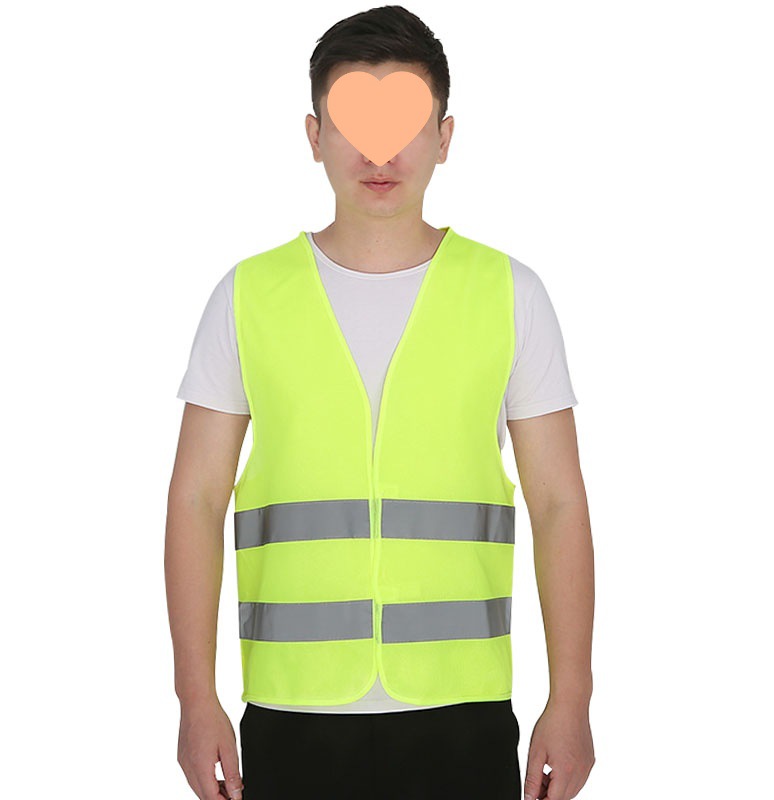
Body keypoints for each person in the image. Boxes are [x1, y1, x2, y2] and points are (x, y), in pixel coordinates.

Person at [165, 6, 595, 800]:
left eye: (405, 125)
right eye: (352, 124)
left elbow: (560, 503)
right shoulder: (247, 296)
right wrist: (195, 698)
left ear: (444, 137)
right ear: (314, 135)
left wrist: (571, 699)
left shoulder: (510, 294)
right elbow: (195, 498)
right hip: (293, 709)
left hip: (461, 708)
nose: (379, 153)